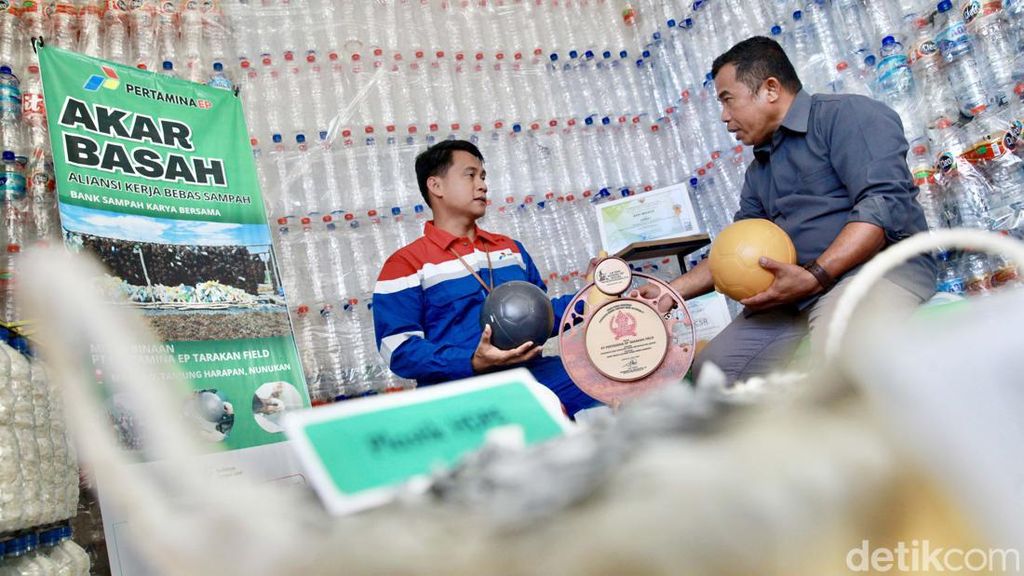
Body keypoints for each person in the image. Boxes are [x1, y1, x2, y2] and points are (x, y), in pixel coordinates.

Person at [650, 36, 937, 382]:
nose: (725, 118)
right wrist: (671, 291)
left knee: (840, 345)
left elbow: (881, 206)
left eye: (728, 101)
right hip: (795, 293)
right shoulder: (759, 171)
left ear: (770, 89)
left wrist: (815, 276)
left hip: (875, 272)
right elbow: (734, 252)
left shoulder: (848, 115)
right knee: (711, 373)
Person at [372, 140, 599, 416]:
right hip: (459, 394)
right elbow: (399, 349)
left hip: (529, 378)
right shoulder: (405, 264)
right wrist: (472, 361)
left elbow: (542, 318)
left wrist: (592, 294)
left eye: (483, 176)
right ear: (436, 186)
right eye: (470, 175)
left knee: (611, 372)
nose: (482, 185)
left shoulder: (511, 249)